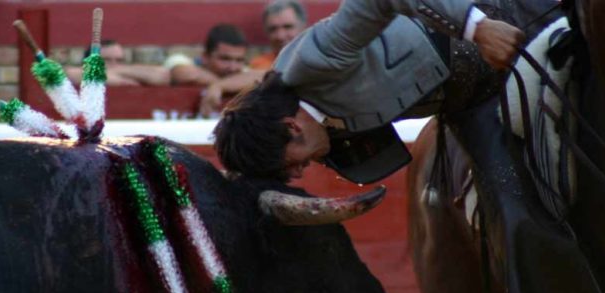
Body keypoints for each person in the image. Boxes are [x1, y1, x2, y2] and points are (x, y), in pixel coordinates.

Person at [214, 0, 525, 182]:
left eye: (289, 164)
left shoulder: (312, 61)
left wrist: (477, 27)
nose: (297, 174)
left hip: (502, 21)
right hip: (472, 106)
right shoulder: (316, 133)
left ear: (291, 126)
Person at [165, 24, 265, 117]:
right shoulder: (181, 60)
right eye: (225, 59)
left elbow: (265, 76)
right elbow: (182, 73)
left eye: (239, 60)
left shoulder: (242, 71)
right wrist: (223, 84)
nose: (233, 67)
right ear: (205, 57)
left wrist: (219, 86)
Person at [66, 40, 171, 86]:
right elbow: (71, 75)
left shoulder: (122, 73)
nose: (114, 65)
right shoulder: (78, 73)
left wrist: (115, 74)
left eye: (119, 60)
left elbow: (163, 75)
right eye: (106, 60)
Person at [249, 0, 307, 70]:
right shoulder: (257, 67)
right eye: (273, 29)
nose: (280, 36)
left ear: (303, 28)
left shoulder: (318, 63)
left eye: (287, 27)